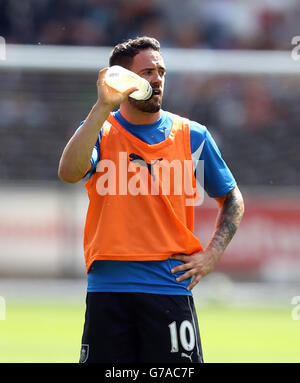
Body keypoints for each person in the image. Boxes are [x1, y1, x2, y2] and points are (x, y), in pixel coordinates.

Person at [58, 36, 244, 363]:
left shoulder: (192, 135)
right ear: (123, 79)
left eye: (161, 71)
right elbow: (69, 172)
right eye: (146, 72)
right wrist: (103, 106)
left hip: (169, 288)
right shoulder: (100, 132)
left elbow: (232, 199)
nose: (157, 79)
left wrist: (212, 255)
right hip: (108, 291)